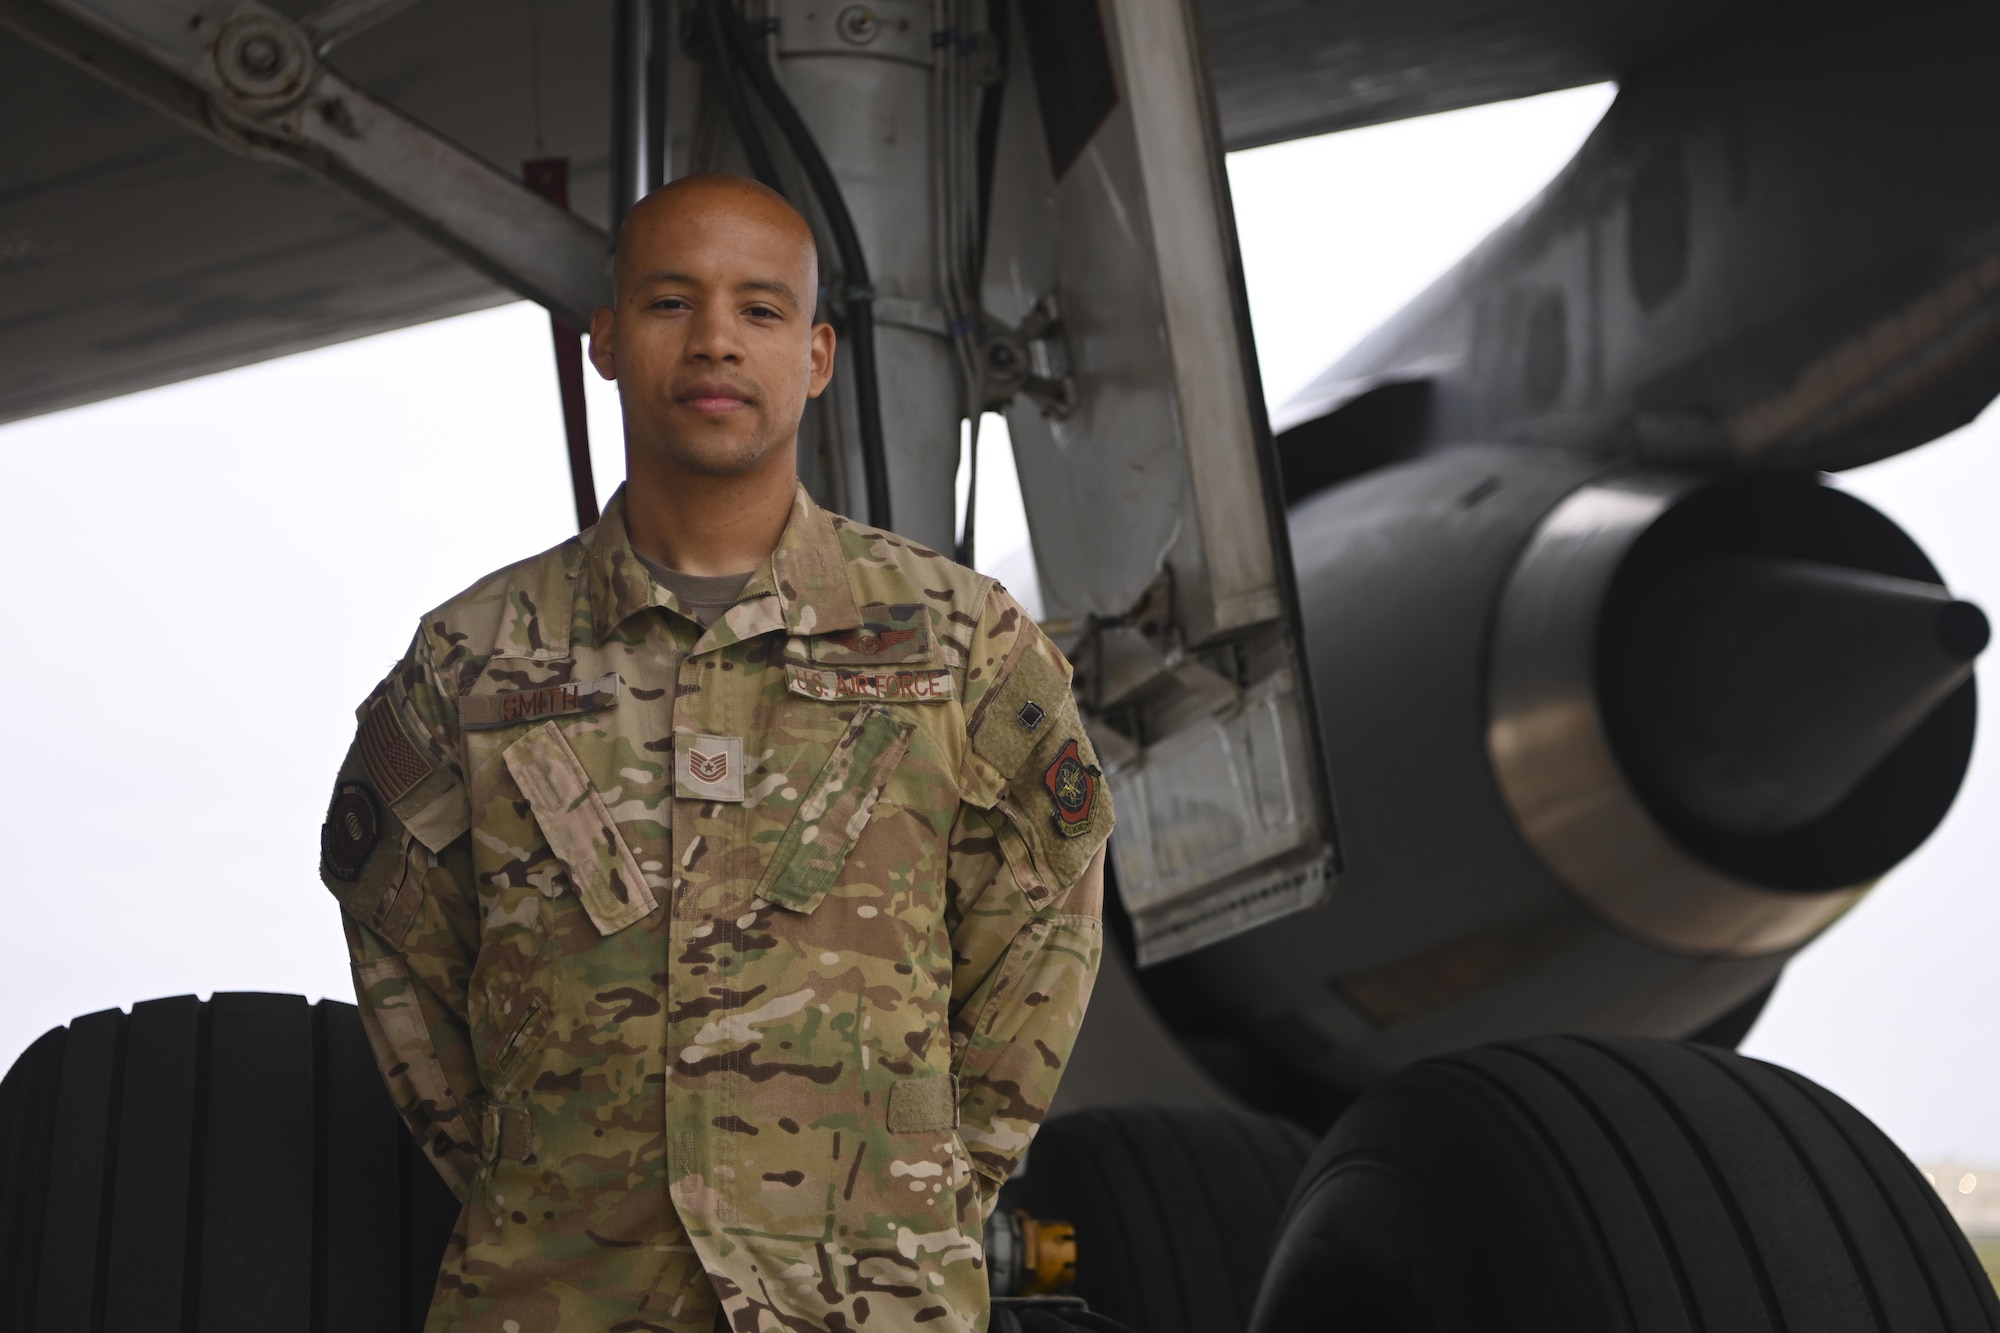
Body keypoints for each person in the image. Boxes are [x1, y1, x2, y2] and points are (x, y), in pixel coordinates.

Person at [317, 172, 1111, 1333]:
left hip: (872, 1304)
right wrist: (548, 1183)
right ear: (603, 342)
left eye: (759, 309)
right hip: (557, 1301)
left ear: (818, 355)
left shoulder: (961, 642)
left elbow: (1041, 926)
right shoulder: (473, 659)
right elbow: (406, 956)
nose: (714, 343)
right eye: (669, 303)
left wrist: (930, 1181)